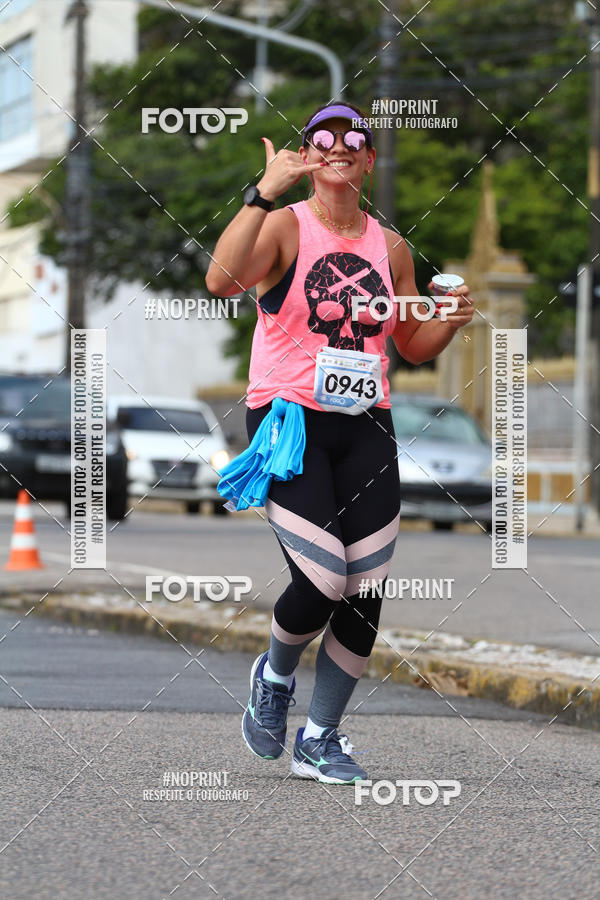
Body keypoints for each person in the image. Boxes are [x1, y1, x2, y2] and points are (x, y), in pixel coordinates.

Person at [206, 101, 475, 785]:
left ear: (368, 159)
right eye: (322, 137)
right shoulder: (281, 227)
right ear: (308, 154)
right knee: (325, 577)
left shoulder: (390, 247)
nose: (337, 146)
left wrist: (450, 321)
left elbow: (410, 345)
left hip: (365, 427)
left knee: (366, 586)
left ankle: (320, 739)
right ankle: (273, 674)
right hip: (288, 423)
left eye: (353, 138)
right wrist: (262, 191)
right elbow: (221, 281)